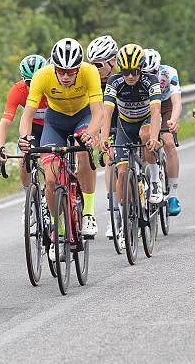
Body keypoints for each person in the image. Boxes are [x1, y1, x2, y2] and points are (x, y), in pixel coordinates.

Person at [18, 38, 103, 261]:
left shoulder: (90, 72)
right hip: (54, 122)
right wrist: (25, 138)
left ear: (78, 68)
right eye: (61, 71)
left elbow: (98, 112)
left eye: (71, 72)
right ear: (53, 67)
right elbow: (27, 114)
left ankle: (88, 213)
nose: (66, 76)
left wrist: (91, 133)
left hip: (83, 117)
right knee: (51, 179)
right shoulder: (42, 76)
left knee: (82, 150)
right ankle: (59, 230)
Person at [101, 44, 162, 248]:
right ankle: (121, 220)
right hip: (124, 125)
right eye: (126, 72)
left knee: (146, 136)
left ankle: (154, 181)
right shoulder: (114, 81)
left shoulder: (150, 81)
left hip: (145, 121)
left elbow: (155, 112)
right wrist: (103, 139)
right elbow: (107, 112)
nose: (130, 77)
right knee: (121, 171)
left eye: (134, 72)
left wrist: (154, 137)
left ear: (141, 68)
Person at [0, 54, 48, 223]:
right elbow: (4, 123)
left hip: (54, 127)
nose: (34, 86)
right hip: (34, 128)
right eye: (29, 83)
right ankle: (30, 199)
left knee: (53, 162)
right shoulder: (18, 90)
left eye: (38, 80)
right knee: (24, 160)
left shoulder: (52, 87)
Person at [86, 35, 120, 239]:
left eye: (98, 64)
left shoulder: (124, 76)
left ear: (113, 61)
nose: (94, 69)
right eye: (91, 64)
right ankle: (114, 216)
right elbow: (92, 115)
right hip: (103, 124)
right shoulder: (91, 81)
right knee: (110, 161)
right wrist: (97, 136)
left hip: (125, 120)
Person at [142, 48, 182, 215]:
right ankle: (151, 177)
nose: (150, 76)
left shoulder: (169, 72)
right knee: (145, 136)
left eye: (154, 72)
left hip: (165, 105)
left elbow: (177, 101)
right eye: (146, 73)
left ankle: (173, 194)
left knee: (168, 142)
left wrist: (173, 120)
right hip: (145, 106)